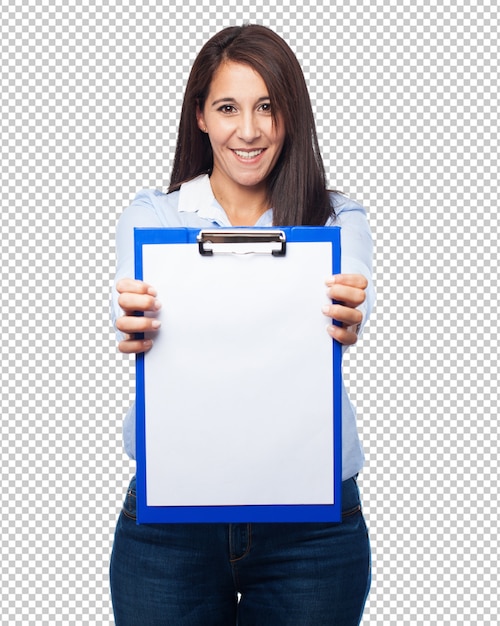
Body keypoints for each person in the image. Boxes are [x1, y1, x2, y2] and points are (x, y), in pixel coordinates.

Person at [109, 24, 374, 626]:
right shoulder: (154, 215)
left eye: (267, 108)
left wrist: (350, 304)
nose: (249, 131)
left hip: (313, 529)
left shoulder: (337, 217)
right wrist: (132, 317)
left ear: (291, 115)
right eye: (228, 108)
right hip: (171, 521)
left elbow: (355, 283)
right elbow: (129, 293)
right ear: (201, 116)